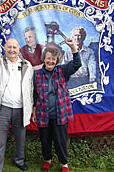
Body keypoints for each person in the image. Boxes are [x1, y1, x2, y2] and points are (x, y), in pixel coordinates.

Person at [0, 17, 34, 172]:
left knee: (21, 139)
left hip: (21, 109)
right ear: (4, 48)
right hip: (2, 109)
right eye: (9, 47)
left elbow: (30, 88)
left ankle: (19, 160)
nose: (12, 50)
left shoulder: (27, 66)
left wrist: (32, 107)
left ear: (19, 49)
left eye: (14, 47)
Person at [32, 38, 81, 172]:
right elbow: (35, 94)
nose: (51, 61)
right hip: (43, 114)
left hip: (60, 114)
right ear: (43, 58)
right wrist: (34, 110)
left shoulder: (63, 71)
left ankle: (64, 163)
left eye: (53, 59)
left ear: (57, 61)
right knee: (45, 140)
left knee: (61, 141)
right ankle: (47, 160)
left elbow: (77, 64)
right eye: (48, 58)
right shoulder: (36, 75)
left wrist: (72, 47)